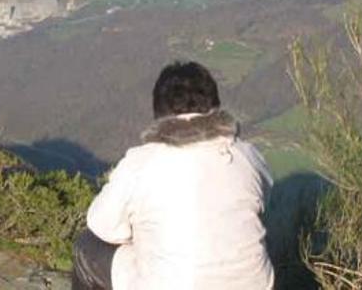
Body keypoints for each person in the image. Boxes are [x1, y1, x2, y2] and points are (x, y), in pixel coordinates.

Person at [72, 61, 274, 290]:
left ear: (158, 113)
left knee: (86, 247)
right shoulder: (247, 155)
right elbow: (264, 204)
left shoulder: (141, 163)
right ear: (215, 106)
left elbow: (101, 225)